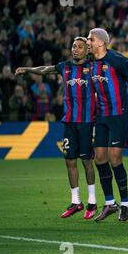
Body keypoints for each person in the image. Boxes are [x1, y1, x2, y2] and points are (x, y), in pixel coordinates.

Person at [15, 37, 97, 219]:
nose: (75, 49)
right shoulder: (65, 66)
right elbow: (45, 70)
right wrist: (28, 69)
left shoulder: (93, 67)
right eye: (73, 46)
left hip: (86, 122)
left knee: (86, 161)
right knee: (70, 161)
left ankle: (92, 202)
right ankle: (76, 202)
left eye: (80, 47)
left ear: (87, 50)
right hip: (68, 121)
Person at [87, 28, 128, 222]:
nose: (88, 41)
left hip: (119, 114)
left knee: (115, 158)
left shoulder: (116, 59)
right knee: (99, 158)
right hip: (102, 116)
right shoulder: (90, 63)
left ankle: (125, 204)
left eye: (91, 39)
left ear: (101, 43)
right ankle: (109, 203)